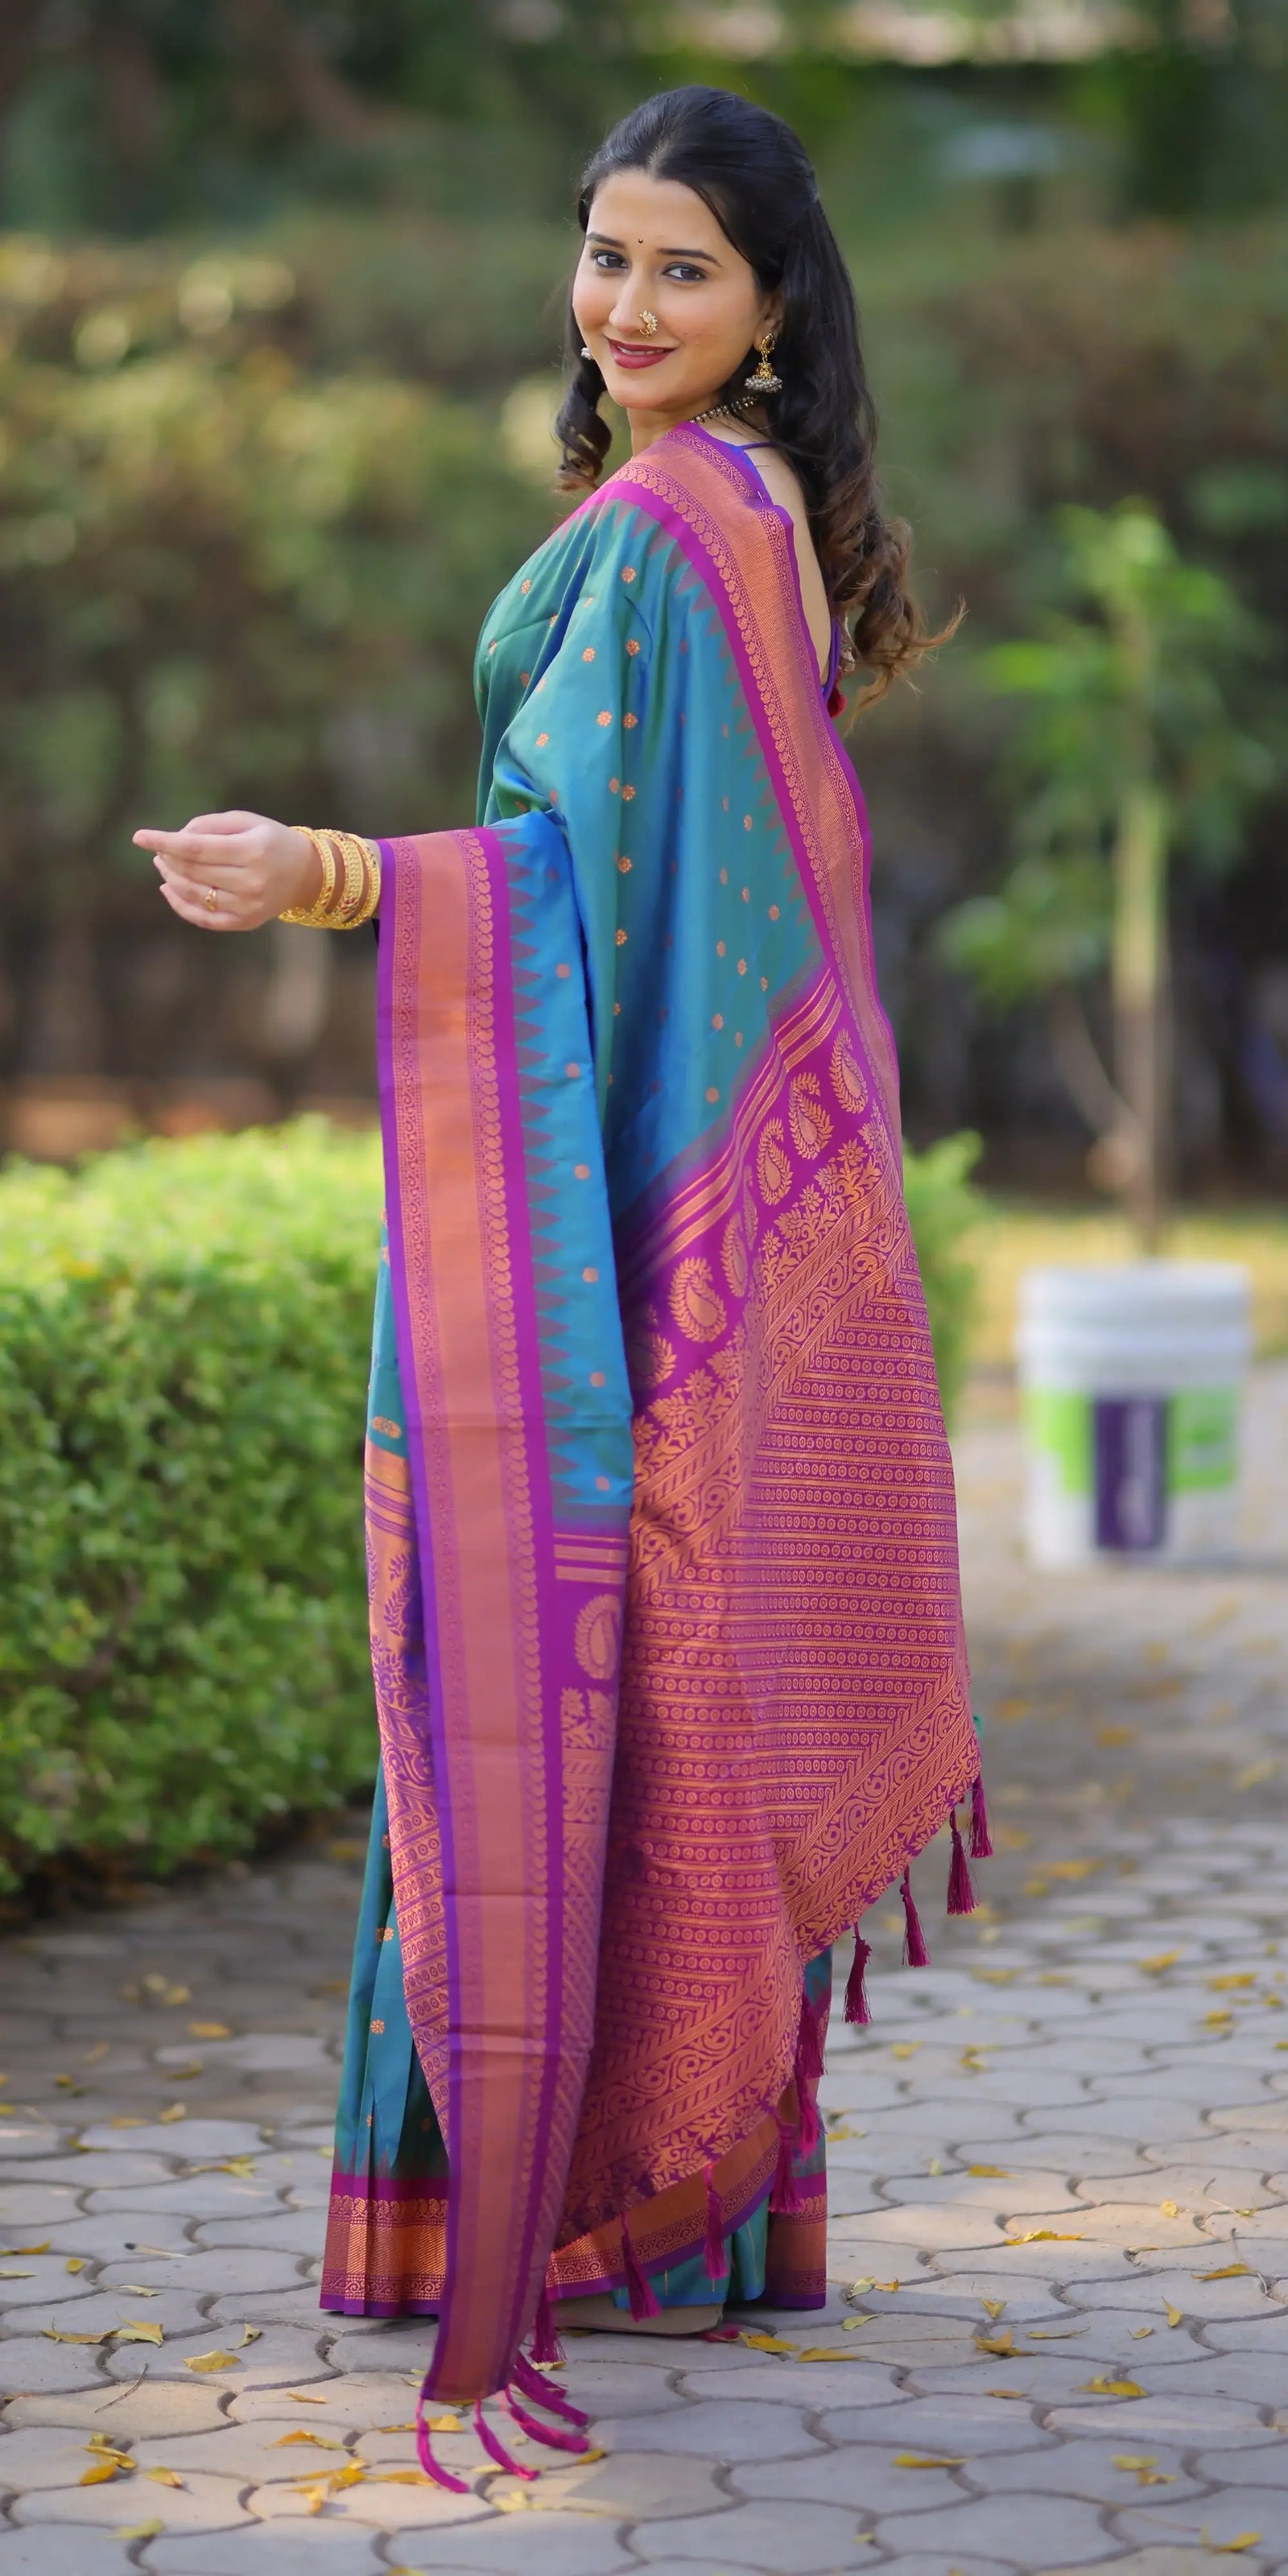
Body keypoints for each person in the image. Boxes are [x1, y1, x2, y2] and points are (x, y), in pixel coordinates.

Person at [134, 83, 987, 2481]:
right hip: (717, 1209)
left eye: (682, 270)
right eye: (604, 258)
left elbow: (565, 908)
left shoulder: (660, 532)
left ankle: (527, 2208)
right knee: (646, 1662)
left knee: (532, 1636)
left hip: (621, 1224)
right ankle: (703, 2226)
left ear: (776, 306)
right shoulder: (766, 526)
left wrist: (320, 872)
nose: (625, 308)